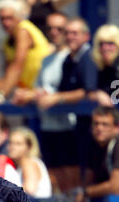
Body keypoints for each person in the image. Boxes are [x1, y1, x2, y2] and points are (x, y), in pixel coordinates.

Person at [12, 11, 74, 192]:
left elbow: (65, 90)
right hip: (48, 125)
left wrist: (34, 95)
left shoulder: (71, 57)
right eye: (50, 28)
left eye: (59, 28)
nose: (54, 32)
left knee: (70, 174)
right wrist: (26, 94)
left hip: (69, 125)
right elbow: (40, 89)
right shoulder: (46, 59)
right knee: (55, 175)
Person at [34, 17, 98, 191]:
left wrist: (56, 98)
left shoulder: (87, 56)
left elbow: (88, 91)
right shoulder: (70, 59)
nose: (70, 37)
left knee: (78, 175)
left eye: (74, 33)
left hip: (87, 126)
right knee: (61, 174)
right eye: (68, 33)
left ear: (86, 36)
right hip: (73, 126)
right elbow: (63, 89)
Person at [0, 0, 50, 107]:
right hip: (27, 93)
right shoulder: (7, 41)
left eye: (9, 18)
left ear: (19, 17)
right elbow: (8, 75)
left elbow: (17, 66)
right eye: (2, 18)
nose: (5, 23)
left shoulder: (23, 30)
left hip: (42, 92)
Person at [75, 106, 119, 202]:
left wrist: (85, 192)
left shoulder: (117, 145)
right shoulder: (92, 147)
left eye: (105, 124)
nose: (99, 128)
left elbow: (115, 187)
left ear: (116, 128)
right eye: (96, 124)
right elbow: (88, 181)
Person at [8, 126, 52, 197]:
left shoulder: (29, 163)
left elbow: (30, 190)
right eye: (10, 143)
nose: (12, 147)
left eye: (18, 144)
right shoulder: (22, 165)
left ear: (29, 147)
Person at [89, 24, 119, 107]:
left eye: (110, 43)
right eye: (101, 44)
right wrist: (98, 94)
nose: (105, 48)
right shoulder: (98, 67)